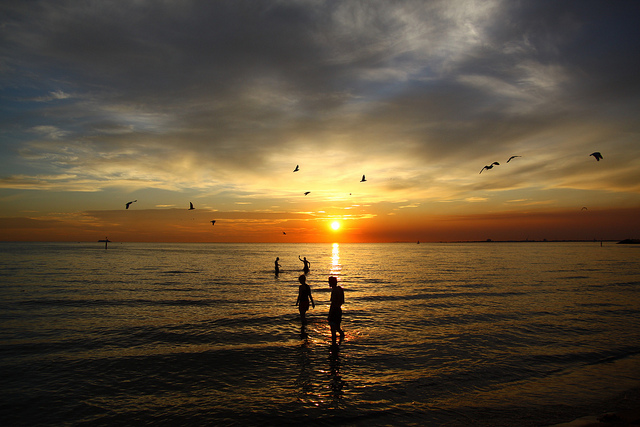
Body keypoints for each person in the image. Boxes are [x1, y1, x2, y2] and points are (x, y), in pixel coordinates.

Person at [328, 276, 345, 344]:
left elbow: (333, 303)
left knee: (333, 329)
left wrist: (330, 314)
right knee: (338, 328)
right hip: (339, 310)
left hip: (334, 311)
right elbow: (342, 301)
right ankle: (342, 339)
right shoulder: (340, 289)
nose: (328, 283)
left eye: (329, 282)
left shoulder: (334, 290)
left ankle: (334, 344)